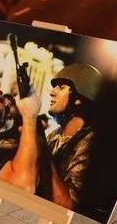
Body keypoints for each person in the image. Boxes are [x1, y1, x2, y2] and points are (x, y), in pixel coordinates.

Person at [42, 64, 102, 210]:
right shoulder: (54, 135)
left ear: (79, 98)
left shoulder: (90, 143)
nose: (52, 92)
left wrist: (41, 150)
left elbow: (69, 203)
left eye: (61, 87)